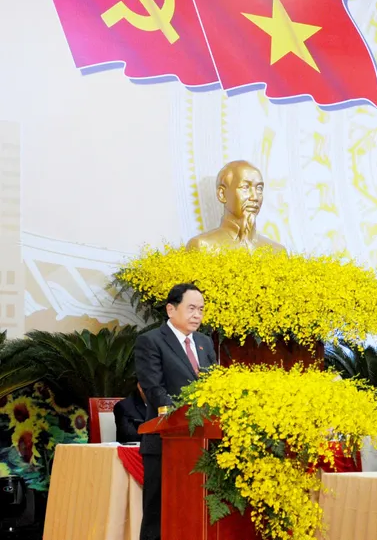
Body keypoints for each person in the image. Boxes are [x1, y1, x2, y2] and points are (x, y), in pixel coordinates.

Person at [134, 283, 217, 540]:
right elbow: (153, 387)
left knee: (193, 513)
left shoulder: (204, 342)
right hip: (164, 442)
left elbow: (214, 384)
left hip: (202, 441)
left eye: (201, 309)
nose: (197, 315)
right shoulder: (151, 341)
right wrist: (178, 414)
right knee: (158, 514)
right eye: (191, 308)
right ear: (171, 309)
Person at [186, 160, 286, 252]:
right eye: (245, 187)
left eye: (259, 188)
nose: (255, 197)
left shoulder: (277, 252)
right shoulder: (203, 247)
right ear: (222, 194)